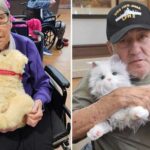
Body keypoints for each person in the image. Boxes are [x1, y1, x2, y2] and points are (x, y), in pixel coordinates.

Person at [73, 1, 150, 150]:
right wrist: (117, 98)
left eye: (142, 37)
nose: (135, 49)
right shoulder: (99, 75)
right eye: (124, 41)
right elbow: (71, 129)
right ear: (110, 48)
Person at [0, 1, 53, 150]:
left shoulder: (26, 45)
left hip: (29, 111)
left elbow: (42, 83)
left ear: (10, 22)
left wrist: (39, 102)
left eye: (0, 19)